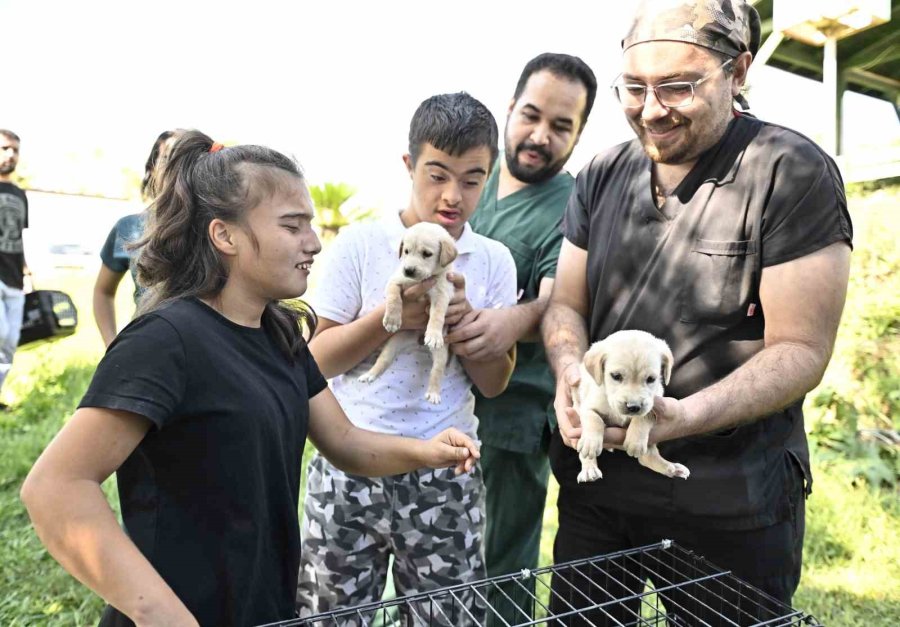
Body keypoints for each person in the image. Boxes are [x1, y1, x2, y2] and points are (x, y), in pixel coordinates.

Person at [20, 130, 481, 627]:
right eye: (292, 226)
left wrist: (429, 451)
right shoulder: (166, 340)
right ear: (225, 236)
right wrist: (164, 616)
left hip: (263, 606)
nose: (314, 243)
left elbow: (344, 441)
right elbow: (55, 488)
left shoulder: (278, 332)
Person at [541, 0, 853, 623]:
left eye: (678, 86)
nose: (651, 109)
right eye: (633, 88)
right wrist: (571, 376)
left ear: (737, 71)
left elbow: (800, 349)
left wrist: (681, 417)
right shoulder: (602, 173)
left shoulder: (789, 171)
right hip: (601, 495)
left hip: (729, 499)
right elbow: (565, 304)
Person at [296, 92, 517, 625]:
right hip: (350, 463)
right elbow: (314, 362)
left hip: (445, 467)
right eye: (437, 174)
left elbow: (495, 382)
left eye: (472, 179)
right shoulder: (362, 244)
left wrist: (462, 324)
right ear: (409, 164)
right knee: (329, 616)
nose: (452, 195)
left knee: (449, 617)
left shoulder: (492, 261)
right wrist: (390, 319)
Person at [444, 53, 597, 620]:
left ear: (579, 134)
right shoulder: (469, 183)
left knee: (499, 565)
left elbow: (560, 297)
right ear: (510, 109)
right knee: (431, 555)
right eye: (531, 115)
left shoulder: (574, 206)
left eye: (561, 126)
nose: (540, 136)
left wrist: (512, 319)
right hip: (430, 410)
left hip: (510, 417)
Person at [93, 130, 182, 347]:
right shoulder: (129, 228)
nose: (180, 166)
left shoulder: (219, 228)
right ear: (152, 169)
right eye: (170, 158)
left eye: (189, 158)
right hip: (148, 348)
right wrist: (111, 346)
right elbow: (103, 292)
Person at [0, 129, 31, 410]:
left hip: (14, 278)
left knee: (9, 342)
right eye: (4, 148)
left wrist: (27, 272)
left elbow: (19, 237)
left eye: (14, 150)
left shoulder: (20, 195)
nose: (10, 155)